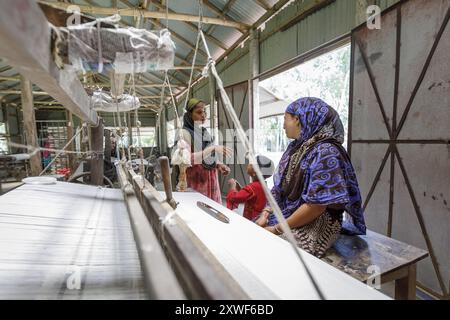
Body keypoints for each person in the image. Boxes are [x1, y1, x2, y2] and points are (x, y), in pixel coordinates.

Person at [256, 97, 366, 258]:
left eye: (285, 119)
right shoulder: (296, 148)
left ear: (298, 119)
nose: (283, 124)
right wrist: (265, 214)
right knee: (253, 232)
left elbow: (316, 206)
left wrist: (277, 229)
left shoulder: (326, 152)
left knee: (274, 252)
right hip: (290, 213)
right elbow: (279, 189)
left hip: (317, 222)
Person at [180, 98, 231, 203]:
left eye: (204, 112)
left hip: (211, 181)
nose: (203, 115)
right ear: (189, 115)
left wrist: (219, 164)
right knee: (200, 213)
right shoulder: (184, 133)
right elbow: (187, 159)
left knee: (215, 212)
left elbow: (210, 156)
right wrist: (212, 148)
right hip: (197, 182)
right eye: (199, 112)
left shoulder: (204, 132)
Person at [226, 155, 274, 221]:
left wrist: (232, 187)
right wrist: (241, 189)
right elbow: (251, 196)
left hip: (251, 220)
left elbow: (235, 198)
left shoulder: (252, 187)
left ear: (255, 172)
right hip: (259, 218)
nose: (248, 164)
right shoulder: (262, 185)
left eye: (251, 164)